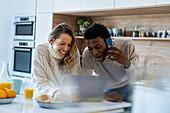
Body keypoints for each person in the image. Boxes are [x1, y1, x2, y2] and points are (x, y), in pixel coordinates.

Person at [81, 23, 141, 102]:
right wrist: (104, 95)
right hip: (106, 91)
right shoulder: (87, 53)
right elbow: (85, 83)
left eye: (98, 47)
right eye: (90, 48)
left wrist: (126, 63)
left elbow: (137, 79)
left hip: (129, 87)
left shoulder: (127, 45)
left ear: (108, 42)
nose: (94, 52)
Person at [33, 23, 81, 97]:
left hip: (67, 99)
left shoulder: (73, 52)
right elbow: (40, 82)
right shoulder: (41, 50)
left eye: (69, 45)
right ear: (52, 40)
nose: (66, 49)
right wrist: (56, 92)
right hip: (46, 96)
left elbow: (74, 81)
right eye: (62, 44)